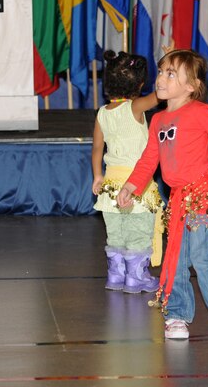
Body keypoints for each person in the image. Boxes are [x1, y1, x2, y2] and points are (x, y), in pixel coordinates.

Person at [116, 50, 208, 342]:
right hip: (177, 199)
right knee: (176, 259)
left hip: (203, 195)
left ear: (191, 86)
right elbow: (149, 159)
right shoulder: (158, 119)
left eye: (171, 73)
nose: (161, 78)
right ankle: (178, 314)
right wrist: (131, 185)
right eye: (161, 71)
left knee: (201, 256)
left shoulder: (200, 112)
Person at [91, 51, 161, 293]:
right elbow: (160, 95)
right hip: (136, 186)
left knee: (117, 234)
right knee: (139, 232)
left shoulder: (102, 113)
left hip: (110, 187)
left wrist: (98, 176)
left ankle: (115, 275)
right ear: (140, 84)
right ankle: (135, 277)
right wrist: (169, 65)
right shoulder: (136, 107)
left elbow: (97, 149)